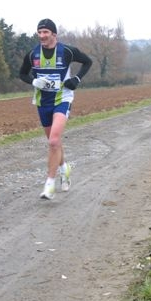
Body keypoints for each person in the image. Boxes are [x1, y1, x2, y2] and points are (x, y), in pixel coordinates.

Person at [19, 18, 93, 200]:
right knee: (55, 142)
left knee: (53, 141)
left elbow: (87, 62)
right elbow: (22, 73)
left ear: (54, 34)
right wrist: (33, 81)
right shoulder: (33, 54)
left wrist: (76, 79)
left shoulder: (66, 51)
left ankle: (49, 184)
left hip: (62, 99)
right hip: (42, 101)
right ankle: (64, 168)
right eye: (39, 32)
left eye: (45, 32)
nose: (42, 35)